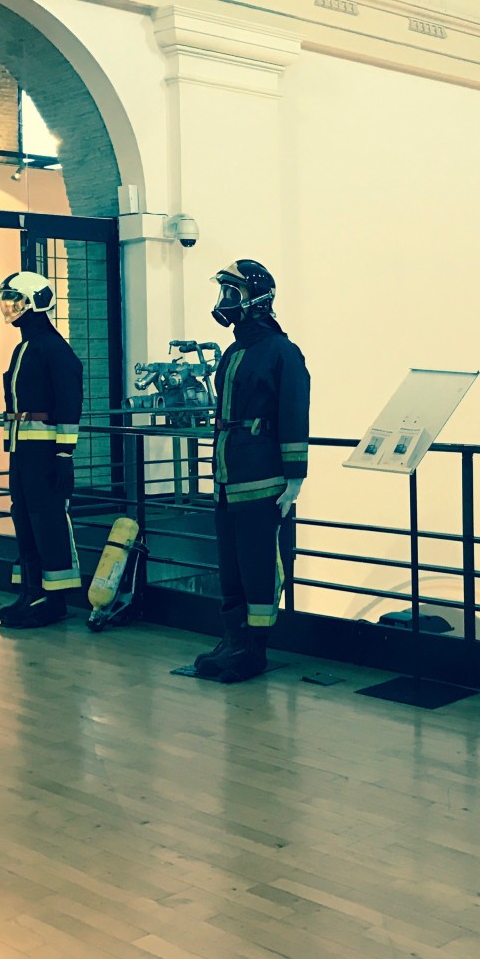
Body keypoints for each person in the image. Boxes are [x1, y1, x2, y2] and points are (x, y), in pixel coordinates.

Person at [188, 259, 311, 684]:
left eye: (231, 294)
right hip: (228, 477)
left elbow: (294, 414)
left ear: (257, 300)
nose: (224, 302)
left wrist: (295, 478)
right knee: (230, 564)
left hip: (263, 482)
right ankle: (233, 639)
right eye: (223, 293)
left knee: (258, 566)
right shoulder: (234, 352)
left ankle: (254, 650)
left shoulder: (283, 353)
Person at [0, 271, 84, 629]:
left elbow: (69, 401)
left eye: (16, 298)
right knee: (24, 518)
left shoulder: (53, 348)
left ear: (34, 302)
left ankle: (53, 598)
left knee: (47, 521)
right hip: (22, 450)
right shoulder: (25, 347)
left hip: (46, 453)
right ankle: (31, 591)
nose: (10, 306)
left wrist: (64, 455)